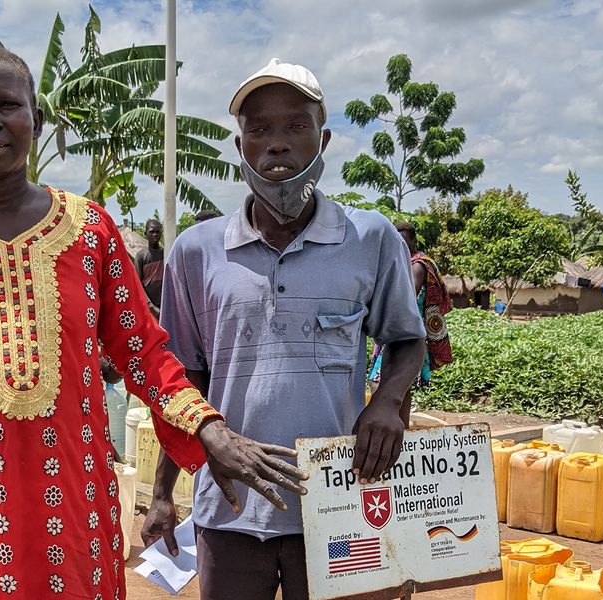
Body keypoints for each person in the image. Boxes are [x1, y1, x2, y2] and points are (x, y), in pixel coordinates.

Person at [0, 46, 306, 600]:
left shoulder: (89, 230)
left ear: (35, 119)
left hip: (70, 494)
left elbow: (144, 352)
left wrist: (209, 429)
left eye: (7, 104)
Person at [141, 58, 427, 600]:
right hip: (229, 510)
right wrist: (162, 492)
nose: (277, 144)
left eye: (296, 126)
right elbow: (181, 383)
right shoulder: (196, 252)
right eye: (260, 130)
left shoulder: (371, 238)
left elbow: (407, 338)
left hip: (343, 503)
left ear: (322, 139)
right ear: (241, 146)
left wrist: (387, 401)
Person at [369, 222, 453, 416]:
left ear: (414, 242)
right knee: (400, 385)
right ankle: (402, 432)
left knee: (379, 382)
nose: (402, 246)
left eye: (405, 242)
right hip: (403, 331)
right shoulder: (403, 262)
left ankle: (383, 426)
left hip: (404, 334)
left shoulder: (417, 266)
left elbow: (405, 297)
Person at [134, 218, 164, 318]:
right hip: (149, 307)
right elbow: (138, 284)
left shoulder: (166, 252)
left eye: (157, 232)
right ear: (145, 233)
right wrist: (151, 306)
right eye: (151, 232)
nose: (155, 235)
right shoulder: (141, 256)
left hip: (165, 304)